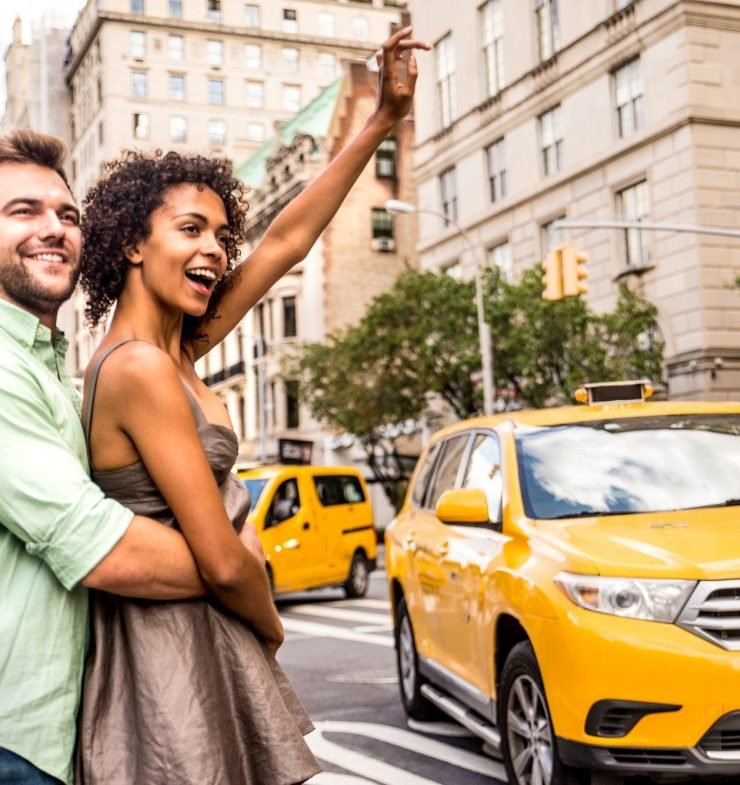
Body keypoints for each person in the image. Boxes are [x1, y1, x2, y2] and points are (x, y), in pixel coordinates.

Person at [73, 27, 429, 785]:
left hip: (197, 640)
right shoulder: (139, 368)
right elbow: (221, 557)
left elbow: (286, 242)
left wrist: (381, 119)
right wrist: (269, 625)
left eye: (222, 235)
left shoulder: (177, 349)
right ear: (132, 244)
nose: (216, 251)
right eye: (191, 229)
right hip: (171, 654)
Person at [0, 130, 270, 785]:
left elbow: (276, 255)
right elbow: (102, 547)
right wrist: (246, 580)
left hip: (58, 731)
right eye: (22, 212)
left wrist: (376, 123)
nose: (55, 228)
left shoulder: (61, 374)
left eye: (67, 214)